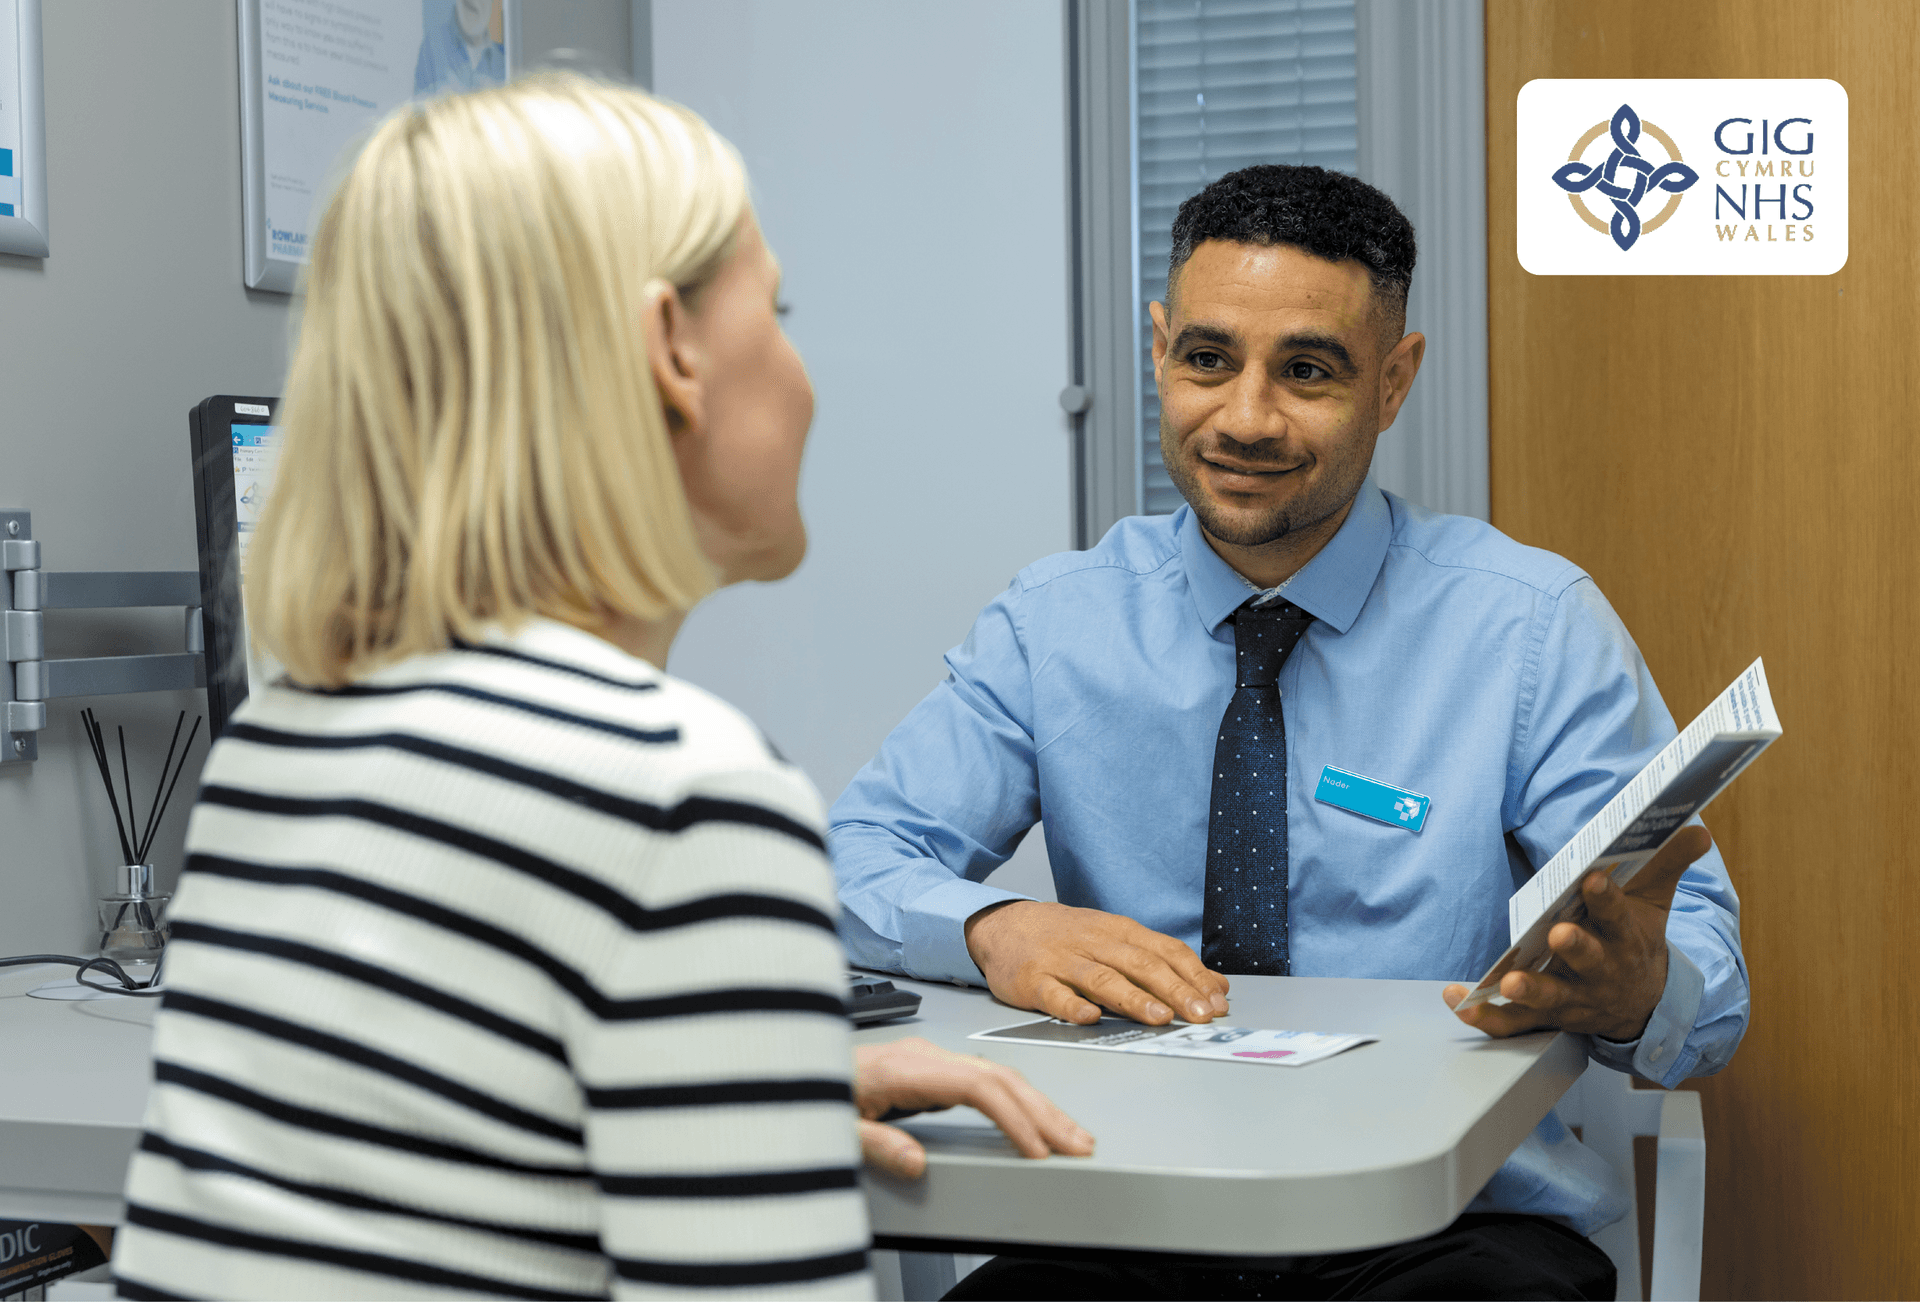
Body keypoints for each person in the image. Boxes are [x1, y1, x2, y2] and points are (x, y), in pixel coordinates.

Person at [110, 75, 1090, 1301]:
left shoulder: (292, 742)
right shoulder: (683, 798)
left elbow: (395, 1164)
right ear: (669, 352)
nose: (805, 378)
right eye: (775, 312)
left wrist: (731, 1095)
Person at [829, 164, 1748, 1299]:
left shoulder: (1530, 627)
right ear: (1160, 351)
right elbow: (850, 860)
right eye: (1207, 359)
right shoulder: (1053, 622)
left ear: (1395, 382)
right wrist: (992, 927)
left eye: (1308, 370)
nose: (1247, 418)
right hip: (1121, 1213)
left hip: (1449, 1225)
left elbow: (1701, 957)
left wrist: (1639, 985)